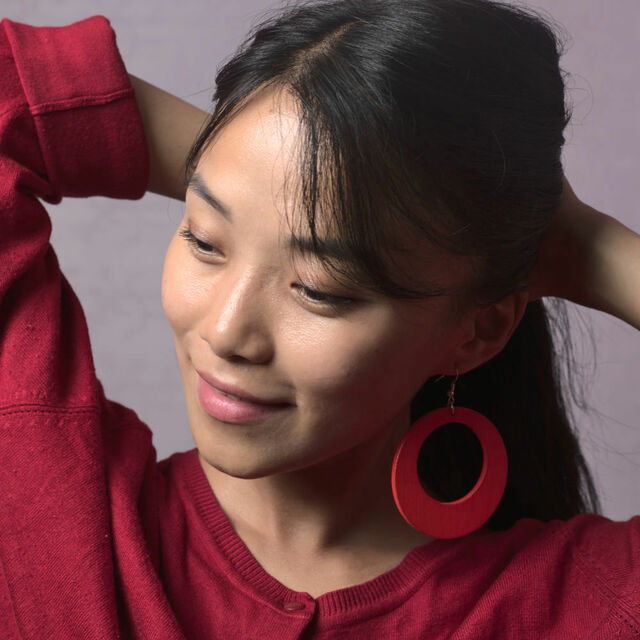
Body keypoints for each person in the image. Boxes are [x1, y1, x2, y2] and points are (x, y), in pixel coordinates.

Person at [0, 0, 638, 638]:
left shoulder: (582, 607)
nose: (225, 333)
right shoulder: (54, 510)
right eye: (204, 240)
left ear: (478, 332)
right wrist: (256, 158)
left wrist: (589, 251)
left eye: (320, 289)